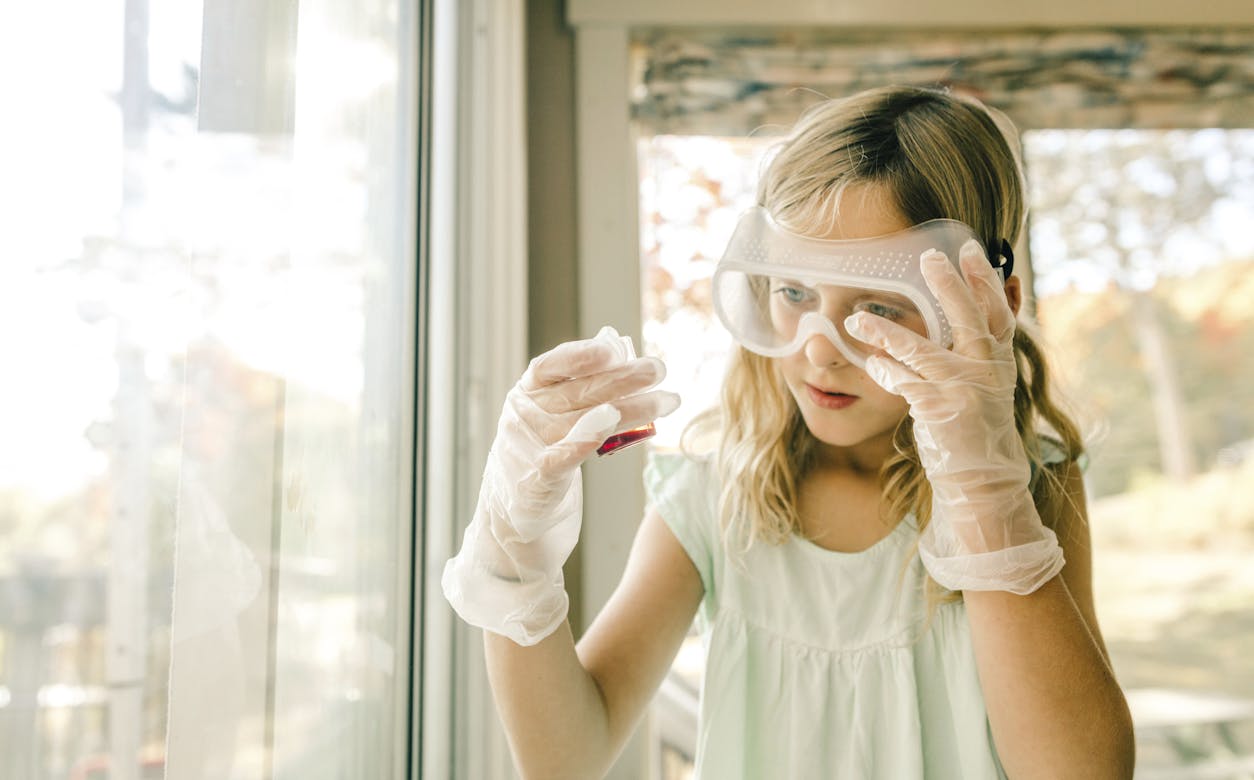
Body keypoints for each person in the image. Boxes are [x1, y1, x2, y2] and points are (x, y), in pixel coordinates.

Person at [442, 84, 1136, 779]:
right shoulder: (715, 499)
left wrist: (987, 500)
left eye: (879, 309)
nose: (819, 349)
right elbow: (565, 760)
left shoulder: (1036, 489)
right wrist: (513, 554)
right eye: (795, 293)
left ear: (990, 308)